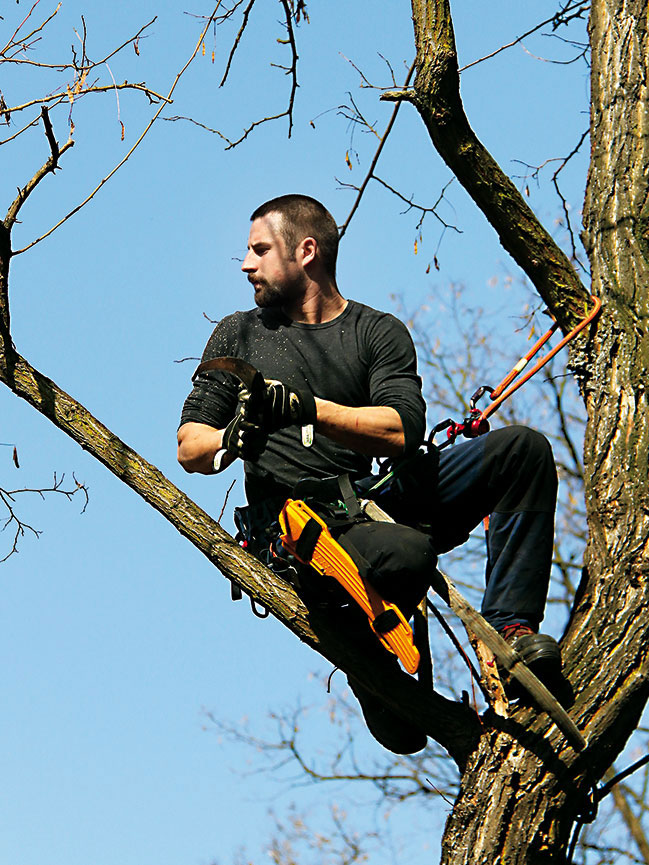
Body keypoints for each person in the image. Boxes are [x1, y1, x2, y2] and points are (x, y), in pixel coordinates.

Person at [178, 195, 561, 754]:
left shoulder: (377, 332)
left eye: (259, 250)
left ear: (305, 251)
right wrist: (235, 438)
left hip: (370, 496)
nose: (246, 264)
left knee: (520, 451)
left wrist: (308, 409)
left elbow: (400, 429)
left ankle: (511, 630)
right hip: (299, 527)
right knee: (404, 555)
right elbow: (191, 446)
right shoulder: (241, 334)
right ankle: (374, 670)